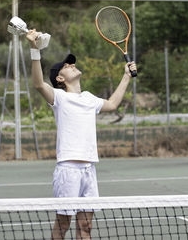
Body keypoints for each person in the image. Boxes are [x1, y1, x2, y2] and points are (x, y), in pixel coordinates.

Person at [26, 29, 137, 240]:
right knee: (63, 224)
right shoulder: (58, 97)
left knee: (86, 226)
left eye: (72, 63)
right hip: (68, 169)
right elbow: (39, 84)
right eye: (66, 66)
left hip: (89, 169)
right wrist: (34, 49)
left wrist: (125, 76)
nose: (72, 65)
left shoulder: (89, 98)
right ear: (59, 78)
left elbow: (112, 104)